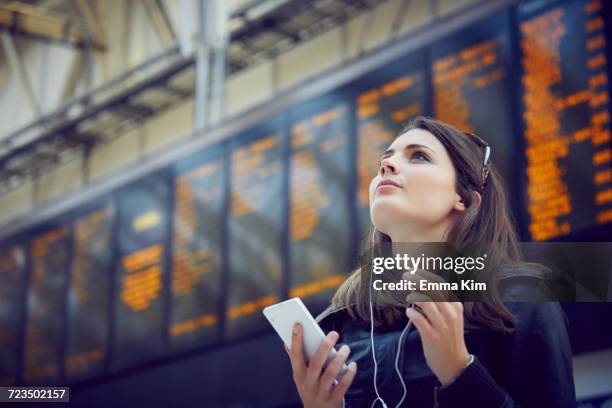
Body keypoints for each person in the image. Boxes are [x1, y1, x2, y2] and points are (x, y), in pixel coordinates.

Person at [284, 116, 575, 407]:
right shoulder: (343, 323)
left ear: (465, 200)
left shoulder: (523, 298)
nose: (387, 166)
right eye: (383, 162)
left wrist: (460, 371)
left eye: (419, 156)